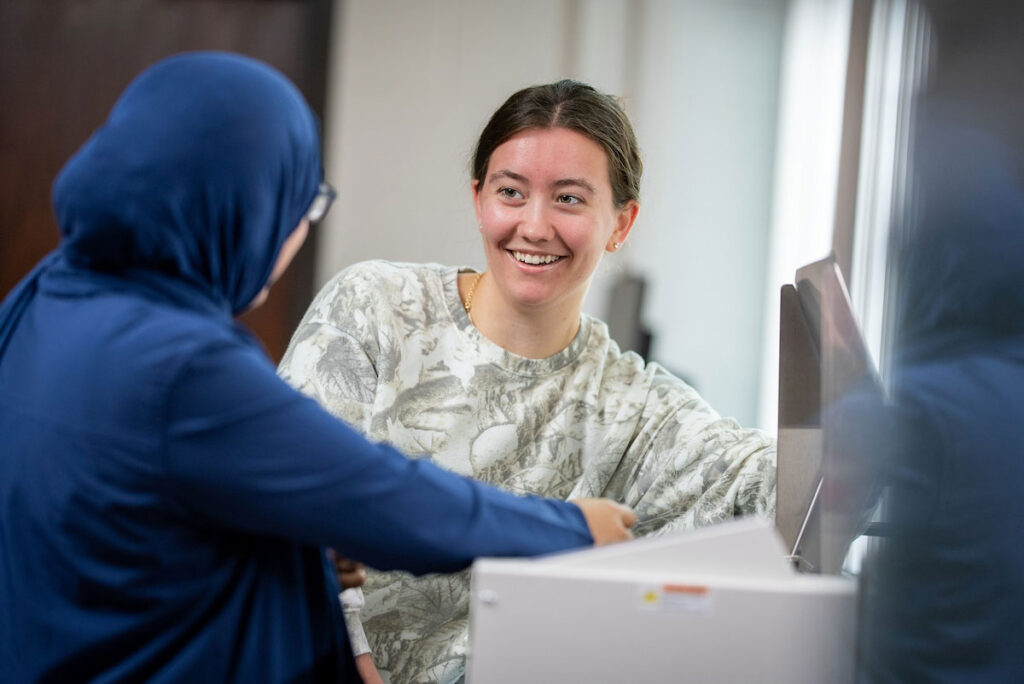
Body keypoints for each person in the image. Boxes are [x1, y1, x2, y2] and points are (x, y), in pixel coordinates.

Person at [0, 53, 638, 682]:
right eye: (301, 208)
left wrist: (302, 552)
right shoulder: (184, 367)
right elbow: (386, 501)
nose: (297, 234)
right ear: (244, 208)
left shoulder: (40, 298)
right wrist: (573, 528)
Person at [279, 79, 776, 683]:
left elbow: (773, 487)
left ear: (622, 223)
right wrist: (354, 667)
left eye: (568, 199)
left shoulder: (636, 407)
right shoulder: (374, 308)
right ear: (478, 199)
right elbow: (293, 512)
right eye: (511, 192)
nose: (535, 226)